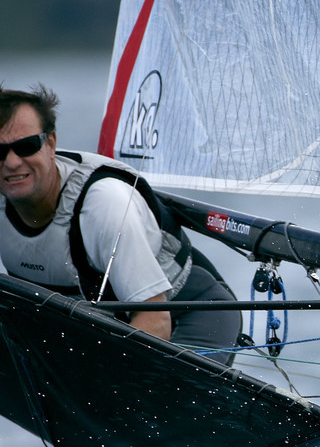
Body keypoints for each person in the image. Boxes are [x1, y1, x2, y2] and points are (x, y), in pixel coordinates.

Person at [0, 84, 239, 364]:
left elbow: (156, 321)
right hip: (105, 327)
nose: (12, 163)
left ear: (51, 144)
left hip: (185, 314)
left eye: (26, 147)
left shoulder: (104, 204)